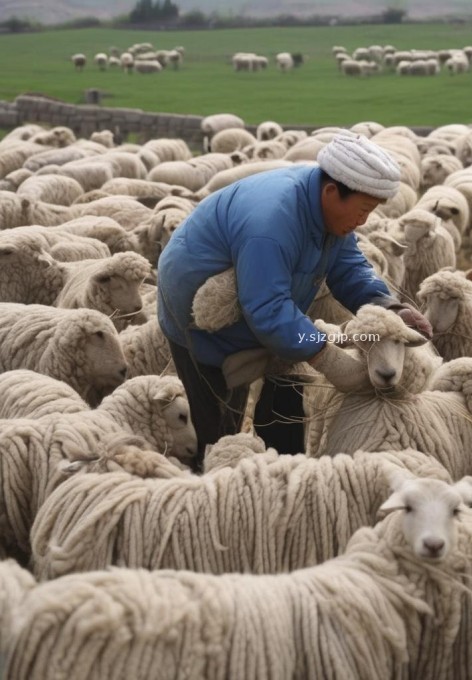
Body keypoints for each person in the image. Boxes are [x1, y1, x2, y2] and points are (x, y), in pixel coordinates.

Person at [157, 130, 432, 467]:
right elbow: (269, 309)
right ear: (333, 192)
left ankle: (287, 469)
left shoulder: (327, 211)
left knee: (286, 388)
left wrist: (390, 306)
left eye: (370, 212)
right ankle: (211, 486)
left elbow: (348, 267)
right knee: (218, 418)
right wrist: (327, 357)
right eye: (362, 210)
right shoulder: (272, 223)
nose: (364, 221)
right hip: (202, 313)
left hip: (267, 303)